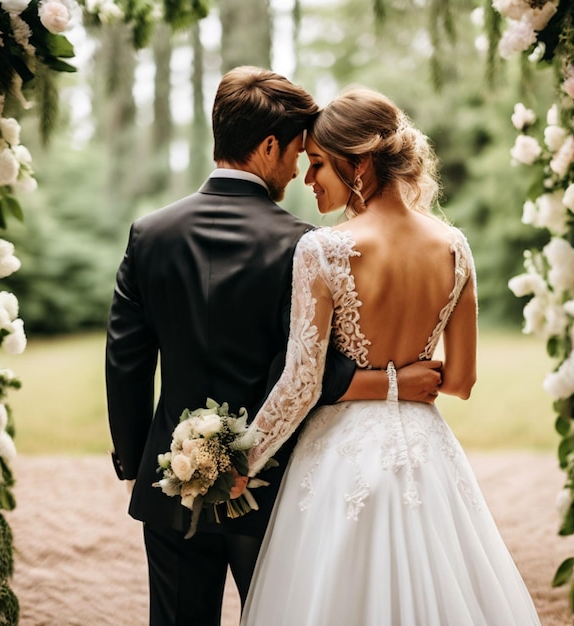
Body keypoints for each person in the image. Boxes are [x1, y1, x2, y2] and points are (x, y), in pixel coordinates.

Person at [105, 66, 442, 626]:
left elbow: (126, 362)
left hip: (171, 476)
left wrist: (138, 461)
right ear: (267, 146)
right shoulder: (303, 245)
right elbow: (313, 368)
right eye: (297, 153)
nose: (299, 169)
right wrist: (391, 382)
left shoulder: (150, 233)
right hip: (272, 483)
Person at [239, 87, 542, 625]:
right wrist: (403, 380)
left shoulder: (322, 249)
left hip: (339, 457)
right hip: (428, 453)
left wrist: (241, 460)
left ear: (357, 165)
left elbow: (302, 382)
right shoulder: (454, 245)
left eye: (317, 165)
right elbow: (463, 381)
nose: (308, 181)